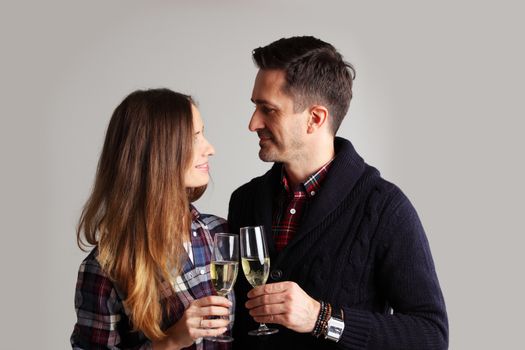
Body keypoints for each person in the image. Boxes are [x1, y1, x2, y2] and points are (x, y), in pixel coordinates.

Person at [228, 36, 448, 349]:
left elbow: (431, 336)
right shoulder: (245, 200)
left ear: (315, 119)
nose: (253, 123)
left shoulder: (384, 207)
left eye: (268, 110)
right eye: (255, 107)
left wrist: (321, 318)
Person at [71, 89, 233, 350]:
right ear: (159, 153)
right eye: (194, 137)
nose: (210, 149)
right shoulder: (106, 268)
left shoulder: (220, 233)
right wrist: (171, 341)